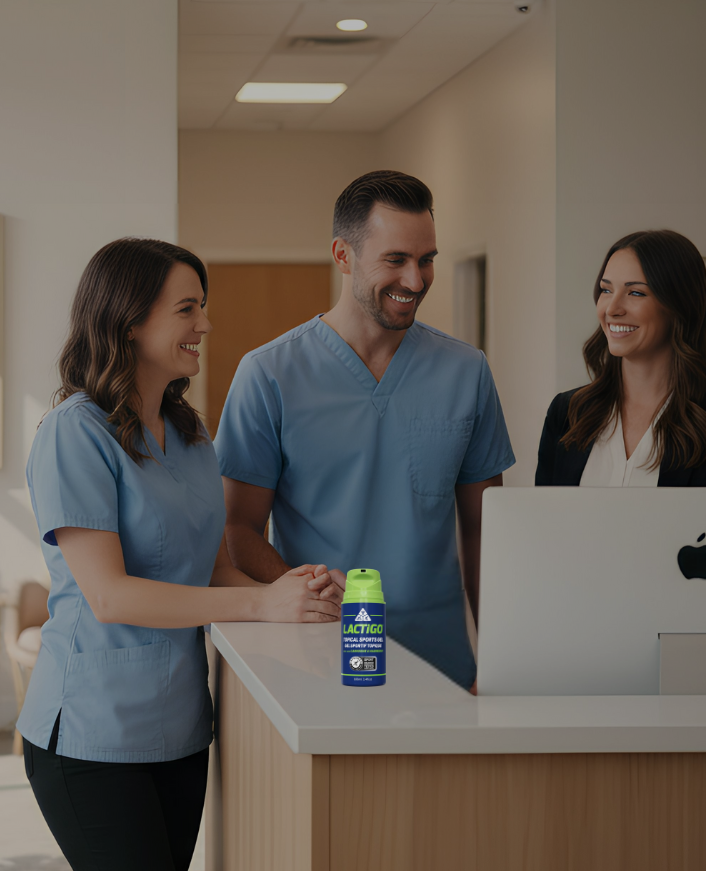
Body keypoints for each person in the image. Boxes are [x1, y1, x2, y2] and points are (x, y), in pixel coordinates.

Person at [19, 238, 342, 871]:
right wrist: (259, 602)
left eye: (203, 307)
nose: (205, 325)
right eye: (188, 309)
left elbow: (210, 566)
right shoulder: (74, 432)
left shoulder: (192, 434)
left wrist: (290, 590)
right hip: (92, 732)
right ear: (130, 320)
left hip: (181, 729)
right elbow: (110, 595)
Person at [214, 170, 516, 691]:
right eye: (395, 260)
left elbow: (484, 529)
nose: (416, 281)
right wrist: (309, 599)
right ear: (343, 255)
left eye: (426, 260)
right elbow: (237, 530)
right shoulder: (269, 375)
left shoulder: (466, 372)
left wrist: (501, 656)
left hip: (441, 666)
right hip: (316, 662)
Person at [536, 229, 706, 487]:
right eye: (606, 290)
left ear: (679, 305)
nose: (612, 309)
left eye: (635, 293)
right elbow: (545, 523)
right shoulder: (567, 413)